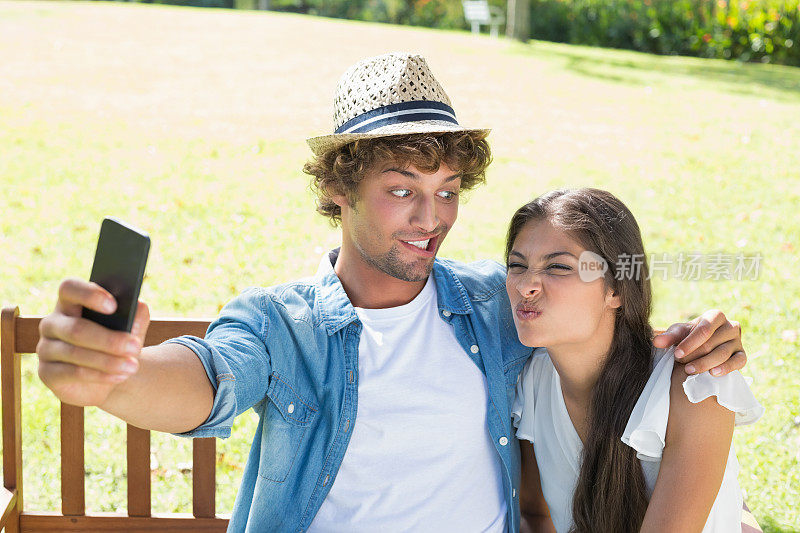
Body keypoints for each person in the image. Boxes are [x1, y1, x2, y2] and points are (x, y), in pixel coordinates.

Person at [36, 53, 748, 532]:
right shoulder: (285, 324)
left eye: (446, 191)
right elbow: (211, 375)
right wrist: (113, 375)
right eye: (402, 189)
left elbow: (592, 300)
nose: (430, 218)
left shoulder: (494, 307)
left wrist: (699, 333)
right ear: (337, 188)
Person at [506, 189, 763, 533]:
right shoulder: (533, 381)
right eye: (517, 265)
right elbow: (534, 518)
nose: (525, 286)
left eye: (558, 266)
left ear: (615, 288)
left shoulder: (696, 383)